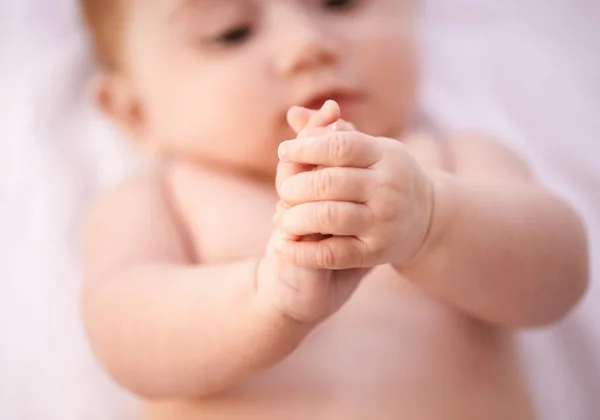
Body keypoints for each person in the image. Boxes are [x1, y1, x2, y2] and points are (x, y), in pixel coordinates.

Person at [79, 0, 588, 418]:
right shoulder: (162, 199)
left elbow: (561, 277)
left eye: (340, 3)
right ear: (135, 112)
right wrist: (264, 302)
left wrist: (433, 220)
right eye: (231, 32)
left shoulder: (450, 162)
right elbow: (122, 335)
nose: (307, 45)